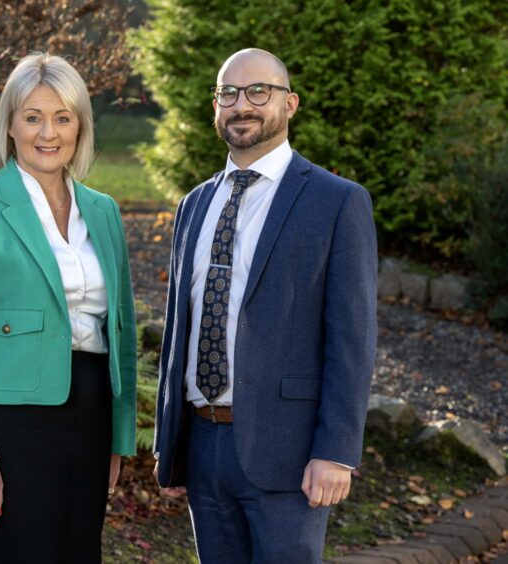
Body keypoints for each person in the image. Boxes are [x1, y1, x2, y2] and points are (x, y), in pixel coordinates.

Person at [153, 48, 377, 563]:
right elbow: (180, 326)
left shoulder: (337, 201)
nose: (242, 105)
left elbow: (352, 338)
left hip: (290, 449)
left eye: (259, 91)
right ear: (215, 107)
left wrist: (336, 452)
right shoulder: (194, 205)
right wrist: (171, 438)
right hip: (204, 444)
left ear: (290, 103)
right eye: (227, 94)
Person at [0, 52, 137, 563]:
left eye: (63, 117)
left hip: (91, 420)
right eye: (33, 117)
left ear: (80, 127)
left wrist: (119, 436)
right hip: (11, 427)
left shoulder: (104, 211)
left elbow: (122, 332)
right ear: (11, 126)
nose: (49, 132)